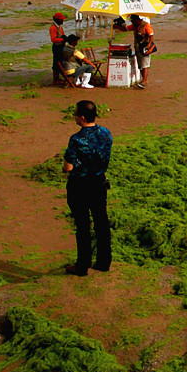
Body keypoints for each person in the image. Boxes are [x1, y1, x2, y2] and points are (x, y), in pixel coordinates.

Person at [62, 99, 112, 276]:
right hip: (99, 183)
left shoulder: (76, 139)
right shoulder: (106, 133)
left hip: (80, 185)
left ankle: (82, 265)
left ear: (82, 117)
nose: (74, 116)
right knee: (101, 222)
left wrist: (67, 167)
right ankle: (104, 261)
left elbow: (68, 167)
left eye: (75, 114)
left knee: (82, 225)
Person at [130, 14, 155, 89]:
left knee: (145, 64)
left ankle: (144, 81)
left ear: (137, 20)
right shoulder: (134, 26)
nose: (132, 22)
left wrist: (149, 44)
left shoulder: (146, 25)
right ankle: (143, 80)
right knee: (140, 65)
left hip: (145, 47)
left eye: (133, 21)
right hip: (138, 47)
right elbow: (126, 28)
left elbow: (151, 35)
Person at [50, 12, 69, 83]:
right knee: (56, 62)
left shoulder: (59, 27)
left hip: (61, 46)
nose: (63, 20)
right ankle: (56, 79)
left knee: (60, 61)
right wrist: (63, 39)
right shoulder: (53, 28)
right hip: (57, 47)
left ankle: (58, 78)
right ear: (57, 20)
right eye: (61, 19)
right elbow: (53, 39)